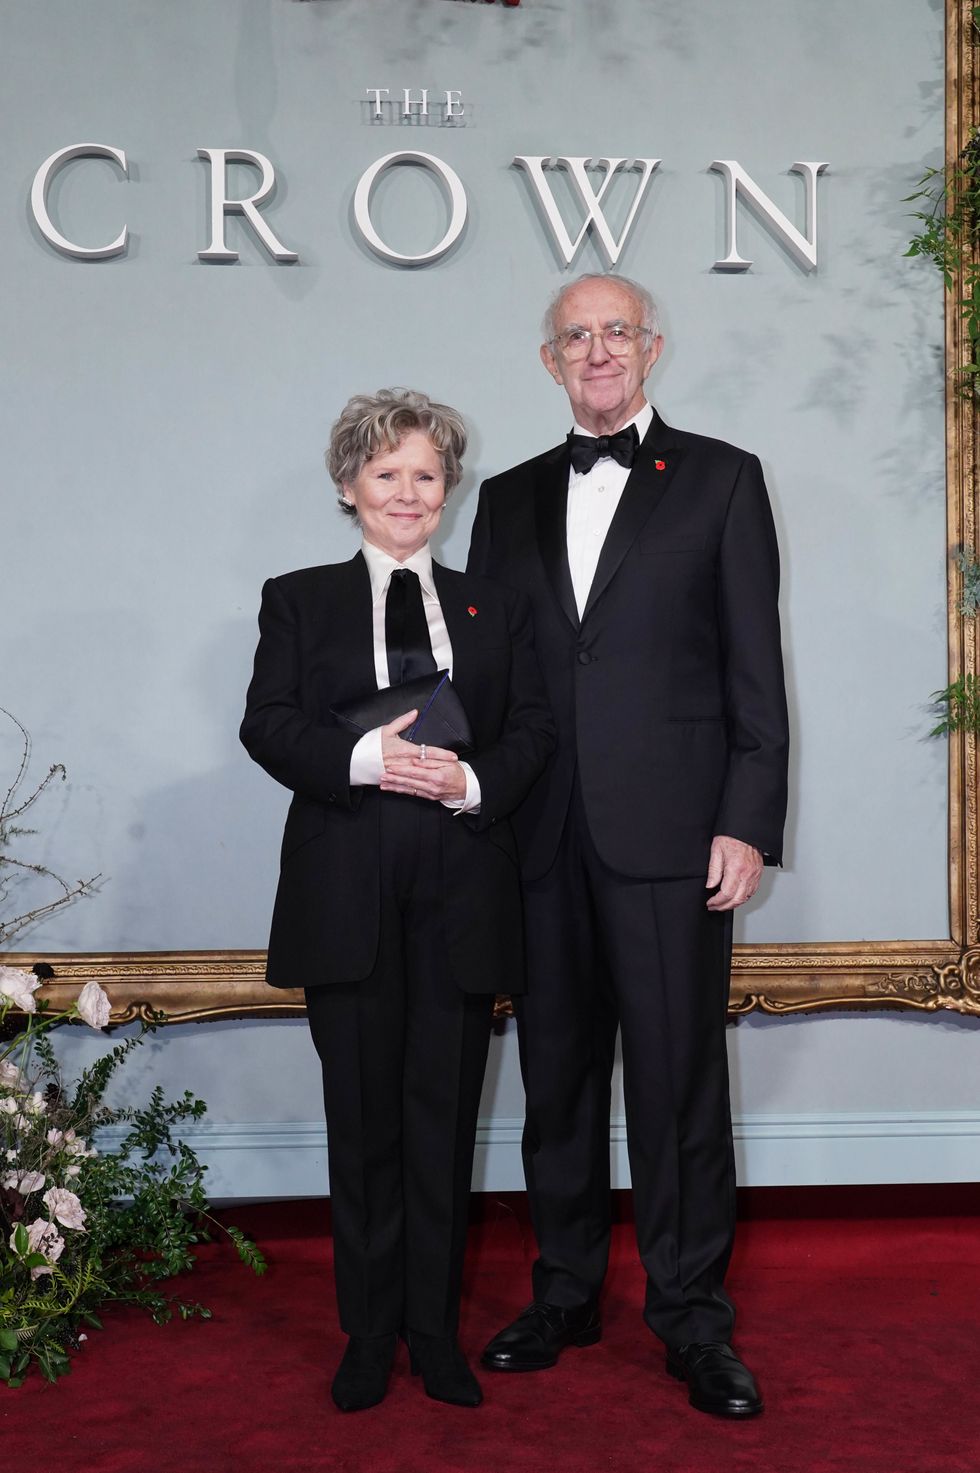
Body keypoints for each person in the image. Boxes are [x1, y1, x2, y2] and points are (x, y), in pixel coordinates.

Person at [467, 274, 789, 1418]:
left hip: (672, 838)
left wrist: (747, 818)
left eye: (614, 332)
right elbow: (491, 682)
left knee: (675, 1089)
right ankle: (561, 1293)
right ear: (547, 361)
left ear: (649, 348)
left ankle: (693, 1321)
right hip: (540, 838)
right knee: (554, 1086)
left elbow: (755, 668)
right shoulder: (502, 500)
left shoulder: (721, 478)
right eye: (574, 337)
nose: (596, 351)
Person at [241, 389, 554, 1413]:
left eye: (426, 475)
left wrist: (470, 784)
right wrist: (362, 757)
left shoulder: (494, 605)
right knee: (364, 1130)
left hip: (460, 894)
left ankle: (434, 1331)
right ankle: (368, 1334)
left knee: (439, 1126)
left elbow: (532, 734)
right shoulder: (296, 599)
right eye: (386, 475)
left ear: (446, 490)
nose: (408, 493)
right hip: (346, 899)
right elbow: (268, 726)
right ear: (349, 488)